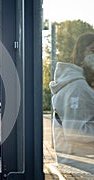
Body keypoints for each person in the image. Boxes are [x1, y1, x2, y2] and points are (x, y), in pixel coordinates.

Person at [49, 32, 94, 174]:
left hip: (77, 163)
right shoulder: (77, 87)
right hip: (81, 166)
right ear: (80, 56)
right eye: (92, 51)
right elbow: (76, 133)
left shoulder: (77, 84)